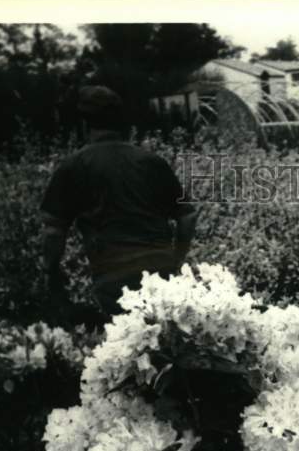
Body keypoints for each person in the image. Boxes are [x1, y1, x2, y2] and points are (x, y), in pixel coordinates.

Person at [39, 85, 197, 318]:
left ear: (84, 124)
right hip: (160, 271)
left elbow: (53, 230)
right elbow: (187, 216)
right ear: (122, 122)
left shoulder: (74, 166)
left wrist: (51, 272)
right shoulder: (151, 162)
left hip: (113, 276)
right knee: (165, 342)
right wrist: (176, 259)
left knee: (129, 346)